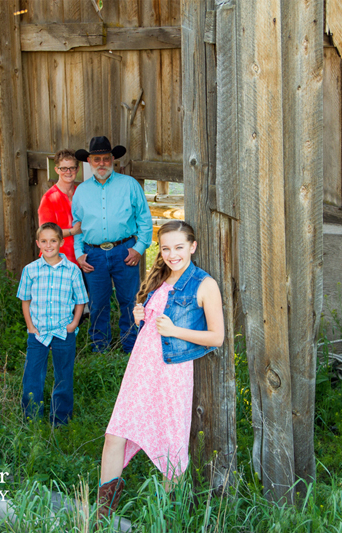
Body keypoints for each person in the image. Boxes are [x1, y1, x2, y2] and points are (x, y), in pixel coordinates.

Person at [95, 221, 224, 520]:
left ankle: (164, 517)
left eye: (179, 247)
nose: (172, 254)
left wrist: (176, 330)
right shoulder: (160, 278)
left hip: (171, 372)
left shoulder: (205, 284)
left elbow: (217, 337)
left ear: (192, 246)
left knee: (171, 446)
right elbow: (153, 325)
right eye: (166, 248)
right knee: (115, 434)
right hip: (141, 368)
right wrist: (142, 315)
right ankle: (103, 514)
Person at [72, 136, 152, 353]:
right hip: (93, 254)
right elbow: (77, 226)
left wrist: (139, 247)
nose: (101, 164)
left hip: (124, 250)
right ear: (89, 161)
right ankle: (100, 349)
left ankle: (132, 347)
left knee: (129, 300)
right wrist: (79, 253)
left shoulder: (129, 185)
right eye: (96, 159)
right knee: (98, 303)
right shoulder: (81, 191)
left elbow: (144, 219)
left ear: (113, 159)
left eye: (105, 159)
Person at [17, 222, 89, 426]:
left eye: (53, 241)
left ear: (61, 242)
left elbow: (80, 299)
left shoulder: (72, 271)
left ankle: (60, 420)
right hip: (38, 332)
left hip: (63, 331)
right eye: (44, 241)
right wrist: (30, 326)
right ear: (38, 243)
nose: (49, 245)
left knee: (63, 376)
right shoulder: (30, 270)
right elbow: (25, 300)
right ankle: (32, 419)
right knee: (32, 377)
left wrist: (74, 323)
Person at [37, 149, 82, 265]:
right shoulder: (49, 198)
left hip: (80, 258)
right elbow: (46, 233)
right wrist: (73, 231)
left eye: (72, 168)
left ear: (77, 169)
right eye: (64, 168)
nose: (68, 172)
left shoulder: (81, 193)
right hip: (57, 260)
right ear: (57, 170)